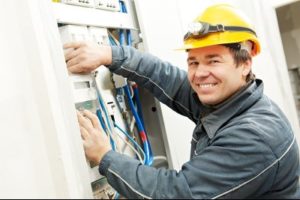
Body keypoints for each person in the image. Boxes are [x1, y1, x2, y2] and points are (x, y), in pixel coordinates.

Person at [63, 4, 300, 199]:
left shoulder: (255, 136)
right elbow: (169, 80)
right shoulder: (232, 101)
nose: (199, 73)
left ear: (245, 64)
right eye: (193, 62)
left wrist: (105, 156)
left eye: (213, 61)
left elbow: (176, 193)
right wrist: (110, 54)